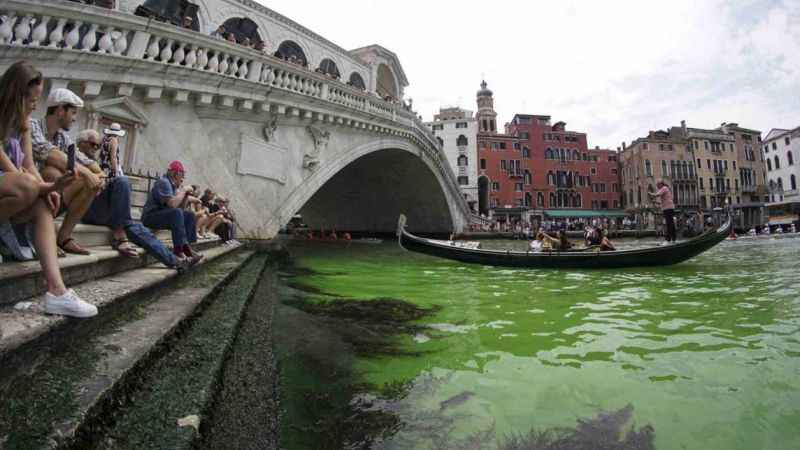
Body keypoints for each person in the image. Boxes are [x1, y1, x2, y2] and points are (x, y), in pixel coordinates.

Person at [0, 61, 97, 317]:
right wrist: (42, 186)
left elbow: (29, 164)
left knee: (44, 201)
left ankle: (57, 291)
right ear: (16, 94)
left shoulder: (23, 123)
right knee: (29, 187)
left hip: (13, 188)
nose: (35, 105)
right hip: (8, 184)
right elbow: (11, 169)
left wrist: (51, 188)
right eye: (32, 99)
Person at [77, 130, 194, 271]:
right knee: (122, 182)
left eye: (98, 145)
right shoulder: (74, 158)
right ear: (81, 143)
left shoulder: (95, 163)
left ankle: (175, 261)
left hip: (104, 208)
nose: (96, 148)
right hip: (86, 208)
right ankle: (120, 237)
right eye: (93, 144)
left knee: (136, 229)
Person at [30, 88, 104, 255]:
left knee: (91, 182)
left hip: (53, 196)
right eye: (73, 112)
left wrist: (98, 175)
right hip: (30, 192)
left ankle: (63, 237)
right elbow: (49, 153)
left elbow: (87, 162)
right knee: (52, 172)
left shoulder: (63, 138)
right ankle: (42, 236)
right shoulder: (32, 125)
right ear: (60, 110)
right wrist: (86, 173)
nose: (75, 118)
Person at [141, 161, 203, 264]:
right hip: (150, 217)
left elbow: (181, 209)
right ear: (175, 173)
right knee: (177, 213)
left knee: (188, 215)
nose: (183, 177)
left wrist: (186, 195)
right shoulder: (163, 182)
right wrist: (183, 190)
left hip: (163, 216)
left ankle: (187, 248)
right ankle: (179, 251)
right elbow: (173, 205)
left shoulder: (173, 186)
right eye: (182, 174)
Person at [648, 180, 676, 245]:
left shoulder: (664, 188)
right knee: (670, 224)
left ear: (660, 184)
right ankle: (673, 239)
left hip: (668, 208)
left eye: (657, 185)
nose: (657, 186)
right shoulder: (665, 189)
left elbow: (657, 194)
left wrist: (650, 193)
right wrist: (656, 202)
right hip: (669, 208)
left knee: (669, 224)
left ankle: (668, 240)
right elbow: (663, 201)